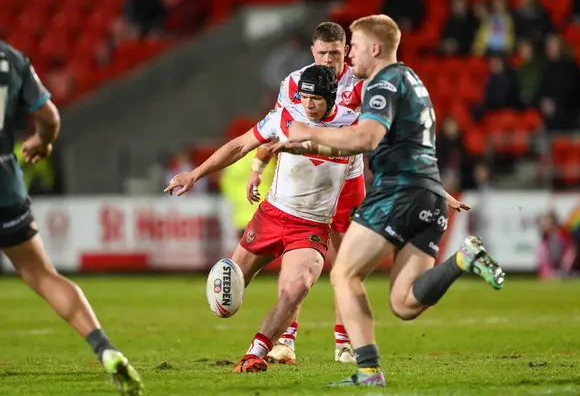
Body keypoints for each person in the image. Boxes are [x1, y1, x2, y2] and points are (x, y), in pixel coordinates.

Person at [271, 14, 504, 387]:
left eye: (357, 47)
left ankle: (367, 371)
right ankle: (464, 258)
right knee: (404, 303)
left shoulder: (383, 82)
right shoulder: (414, 81)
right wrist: (440, 192)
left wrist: (308, 133)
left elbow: (367, 139)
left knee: (344, 272)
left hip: (399, 193)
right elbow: (410, 147)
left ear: (375, 49)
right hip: (428, 194)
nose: (350, 57)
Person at [165, 65, 360, 373]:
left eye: (316, 99)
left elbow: (393, 160)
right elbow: (241, 144)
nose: (308, 105)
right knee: (226, 298)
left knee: (297, 287)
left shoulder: (354, 126)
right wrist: (195, 173)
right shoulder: (284, 116)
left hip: (311, 226)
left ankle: (256, 352)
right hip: (271, 215)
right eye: (305, 97)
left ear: (332, 97)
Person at [0, 41, 142, 395]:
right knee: (42, 275)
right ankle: (105, 349)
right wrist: (43, 142)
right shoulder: (12, 58)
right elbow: (49, 116)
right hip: (5, 183)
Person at [247, 21, 365, 365]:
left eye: (335, 53)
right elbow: (281, 129)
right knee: (297, 259)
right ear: (313, 51)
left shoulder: (362, 82)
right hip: (306, 176)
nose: (328, 59)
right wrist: (259, 167)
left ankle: (344, 342)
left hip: (347, 178)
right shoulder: (296, 82)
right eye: (322, 52)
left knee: (345, 264)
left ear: (347, 51)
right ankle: (286, 340)